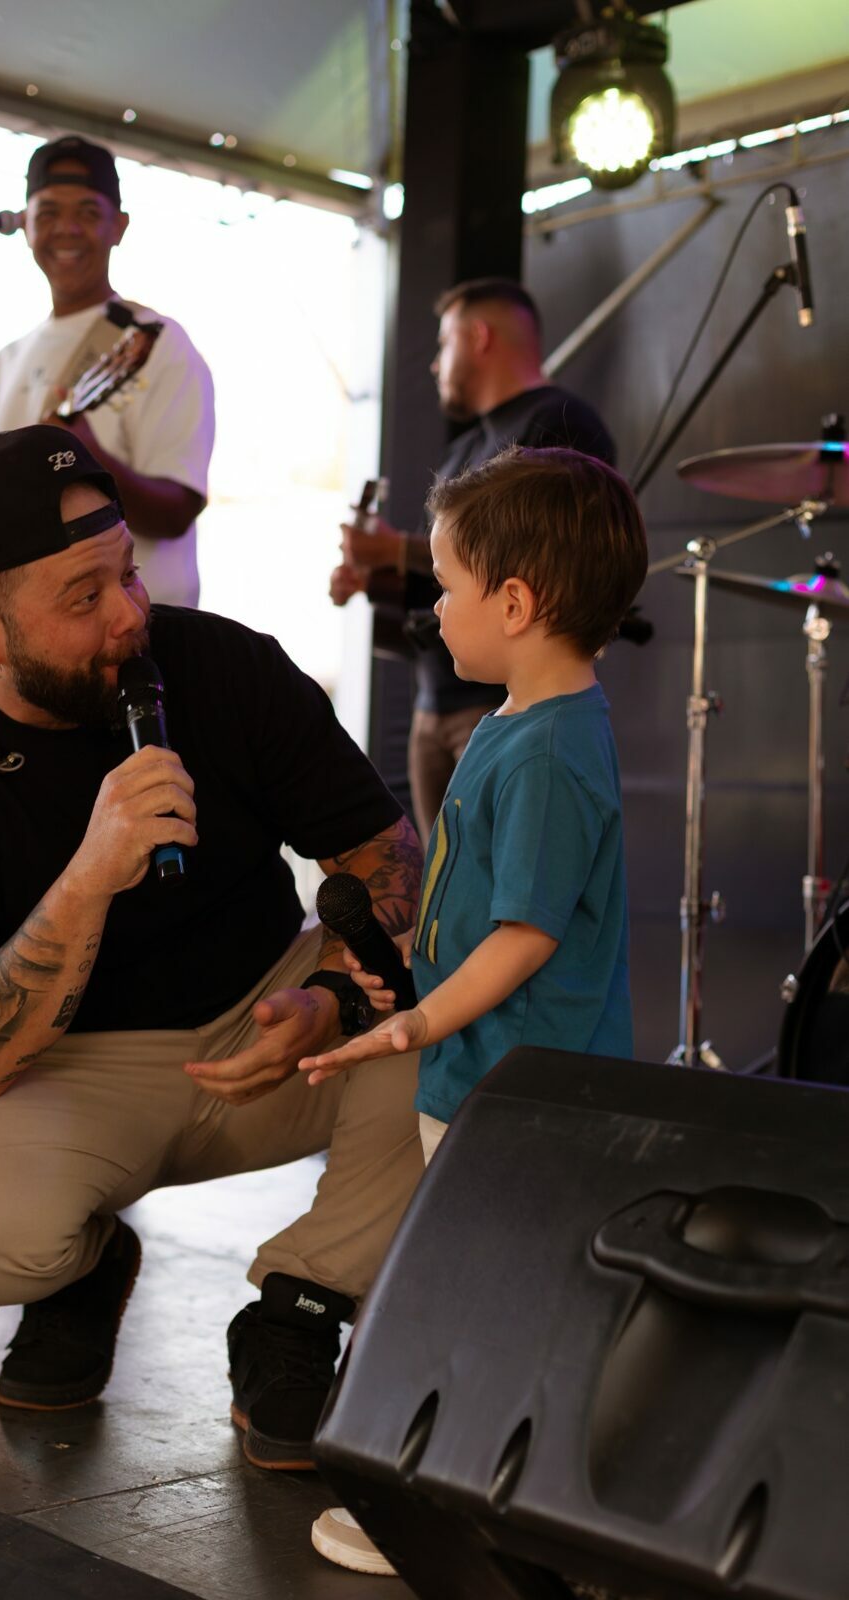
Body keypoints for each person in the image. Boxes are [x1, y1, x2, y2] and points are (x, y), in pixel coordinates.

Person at [0, 425, 425, 1474]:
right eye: (83, 596)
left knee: (471, 982)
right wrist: (86, 878)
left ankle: (301, 1304)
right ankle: (81, 1268)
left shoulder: (224, 667)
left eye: (128, 574)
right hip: (67, 1077)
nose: (127, 614)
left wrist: (335, 995)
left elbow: (387, 856)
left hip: (277, 1023)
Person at [304, 444, 648, 1573]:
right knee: (477, 1291)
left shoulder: (546, 750)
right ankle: (479, 1496)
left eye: (445, 587)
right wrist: (415, 967)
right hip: (487, 1080)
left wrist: (418, 1021)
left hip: (518, 1092)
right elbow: (487, 907)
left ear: (513, 603)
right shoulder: (521, 721)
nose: (432, 608)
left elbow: (526, 935)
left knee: (488, 1301)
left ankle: (458, 1510)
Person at [332, 277, 616, 844]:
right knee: (446, 876)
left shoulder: (558, 421)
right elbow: (450, 578)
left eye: (444, 342)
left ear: (480, 336)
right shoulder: (462, 448)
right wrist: (374, 577)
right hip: (434, 701)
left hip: (502, 700)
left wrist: (395, 549)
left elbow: (540, 556)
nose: (435, 363)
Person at [0, 133, 214, 608]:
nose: (67, 229)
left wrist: (90, 459)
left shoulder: (155, 341)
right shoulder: (4, 363)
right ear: (25, 225)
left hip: (142, 627)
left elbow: (177, 511)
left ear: (119, 226)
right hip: (29, 635)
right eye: (48, 213)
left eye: (88, 213)